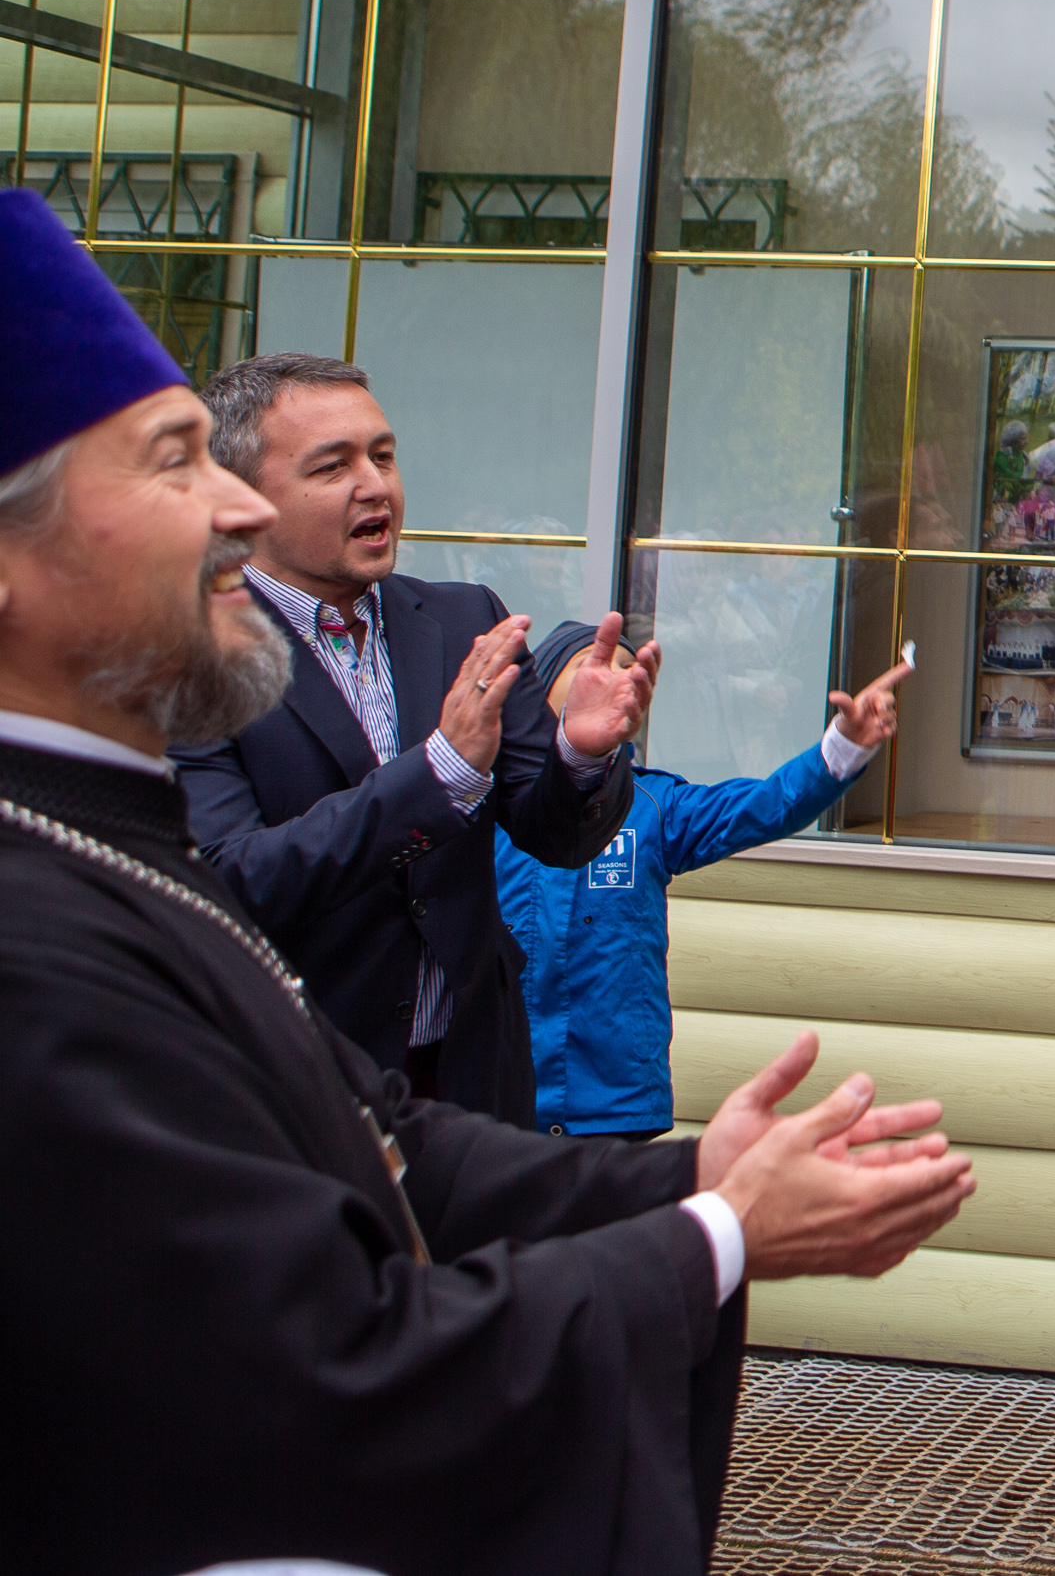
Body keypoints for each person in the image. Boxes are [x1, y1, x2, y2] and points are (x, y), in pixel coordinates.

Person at [0, 188, 977, 1576]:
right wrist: (716, 1233)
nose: (237, 507)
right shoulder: (34, 950)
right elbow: (325, 1367)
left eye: (381, 454)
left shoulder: (105, 822)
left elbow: (377, 1129)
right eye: (174, 465)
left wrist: (690, 1172)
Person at [176, 351, 652, 1125]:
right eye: (332, 466)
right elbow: (232, 880)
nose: (375, 485)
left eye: (384, 455)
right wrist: (438, 773)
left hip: (473, 1076)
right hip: (299, 1089)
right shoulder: (188, 651)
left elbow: (557, 835)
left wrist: (582, 753)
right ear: (240, 499)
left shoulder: (466, 618)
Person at [499, 626, 913, 1139]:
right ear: (539, 691)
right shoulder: (488, 810)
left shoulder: (654, 805)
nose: (621, 678)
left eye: (630, 669)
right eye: (596, 664)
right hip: (500, 1100)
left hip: (614, 1103)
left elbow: (766, 805)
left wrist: (844, 746)